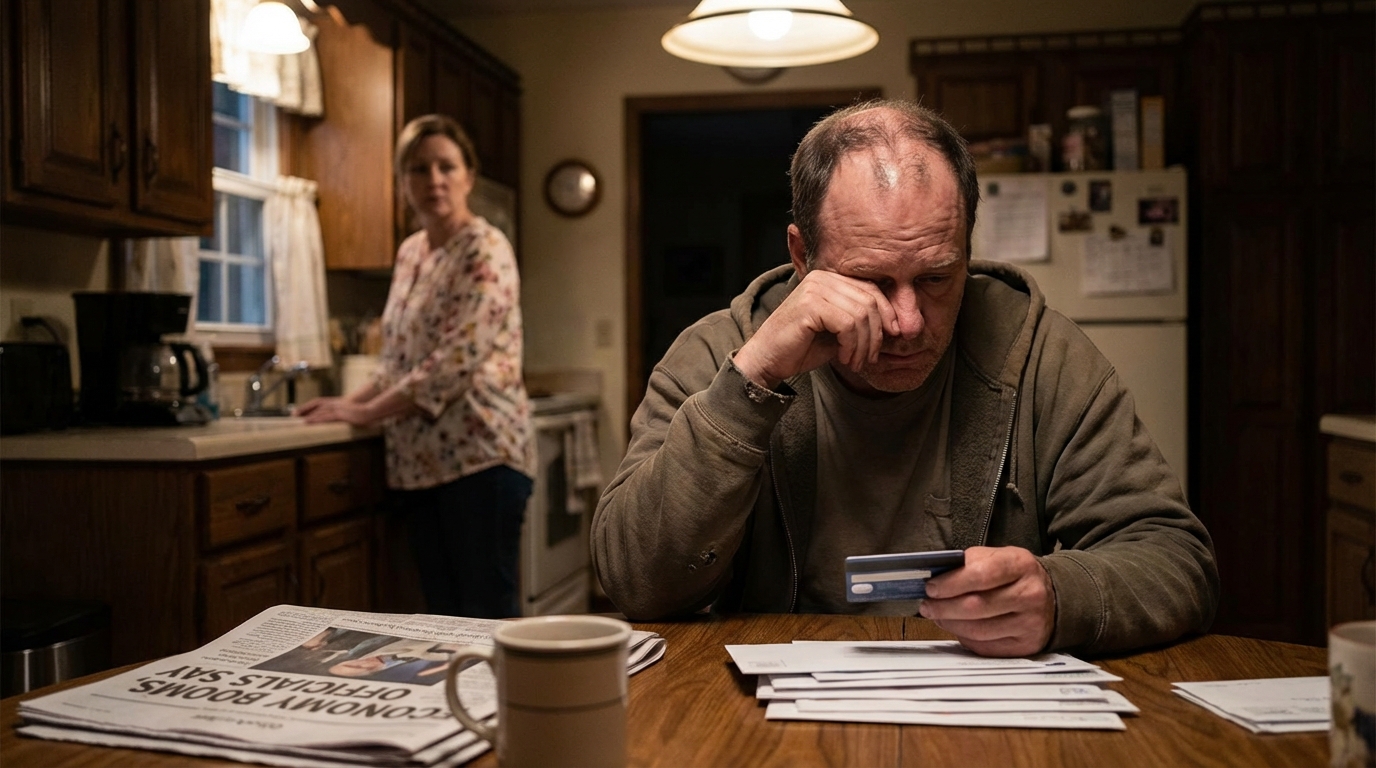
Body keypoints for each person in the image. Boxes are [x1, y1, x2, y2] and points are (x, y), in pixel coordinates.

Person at [592, 99, 1219, 658]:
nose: (907, 321)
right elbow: (634, 582)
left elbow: (1176, 560)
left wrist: (1060, 597)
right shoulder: (717, 352)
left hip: (987, 713)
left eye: (936, 278)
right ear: (802, 256)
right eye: (870, 281)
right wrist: (752, 380)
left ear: (968, 250)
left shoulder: (1045, 355)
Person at [298, 114, 535, 619]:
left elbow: (451, 364)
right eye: (418, 168)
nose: (434, 180)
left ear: (468, 176)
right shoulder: (410, 255)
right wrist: (346, 403)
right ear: (402, 181)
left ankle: (506, 703)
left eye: (446, 166)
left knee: (485, 621)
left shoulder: (485, 248)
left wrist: (365, 415)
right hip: (417, 467)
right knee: (440, 622)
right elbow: (399, 362)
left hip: (480, 460)